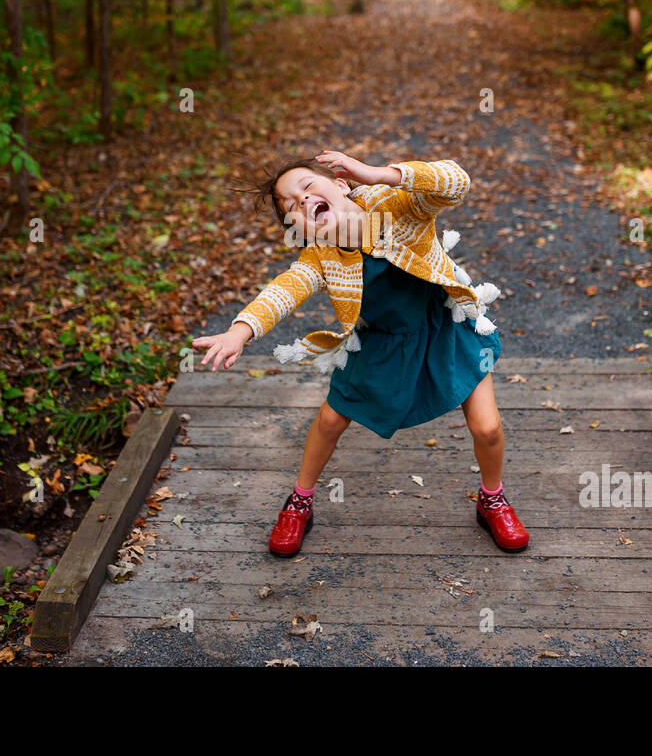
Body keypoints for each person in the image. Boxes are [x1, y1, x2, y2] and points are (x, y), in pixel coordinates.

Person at [191, 151, 529, 556]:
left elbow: (455, 181)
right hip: (383, 343)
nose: (299, 201)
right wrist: (239, 332)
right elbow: (284, 290)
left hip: (447, 327)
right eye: (289, 206)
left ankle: (491, 498)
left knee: (488, 428)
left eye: (306, 187)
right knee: (331, 419)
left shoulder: (396, 204)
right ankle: (300, 501)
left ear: (341, 184)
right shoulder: (321, 256)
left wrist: (379, 174)